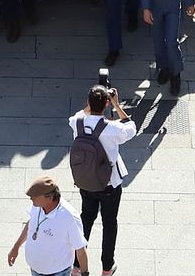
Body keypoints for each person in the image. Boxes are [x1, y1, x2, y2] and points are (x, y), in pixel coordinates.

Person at [69, 83, 137, 276]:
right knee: (109, 223)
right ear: (106, 103)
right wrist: (116, 104)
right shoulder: (113, 128)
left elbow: (77, 115)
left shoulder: (77, 123)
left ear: (88, 102)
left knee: (86, 219)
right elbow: (132, 127)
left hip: (86, 182)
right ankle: (107, 267)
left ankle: (77, 264)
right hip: (109, 185)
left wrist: (94, 103)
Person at [7, 176, 90, 276]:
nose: (31, 198)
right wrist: (15, 247)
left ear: (50, 198)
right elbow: (31, 225)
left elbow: (80, 248)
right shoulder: (37, 206)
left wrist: (85, 273)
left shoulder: (68, 217)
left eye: (35, 196)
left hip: (58, 272)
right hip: (35, 270)